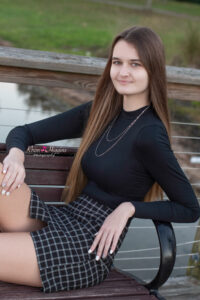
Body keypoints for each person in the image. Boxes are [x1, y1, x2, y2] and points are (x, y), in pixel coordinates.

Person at [1, 25, 200, 293]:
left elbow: (190, 207)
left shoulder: (150, 135)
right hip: (64, 218)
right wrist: (15, 156)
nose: (123, 72)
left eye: (135, 64)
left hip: (88, 248)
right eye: (117, 62)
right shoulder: (101, 111)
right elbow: (24, 132)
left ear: (152, 71)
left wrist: (129, 208)